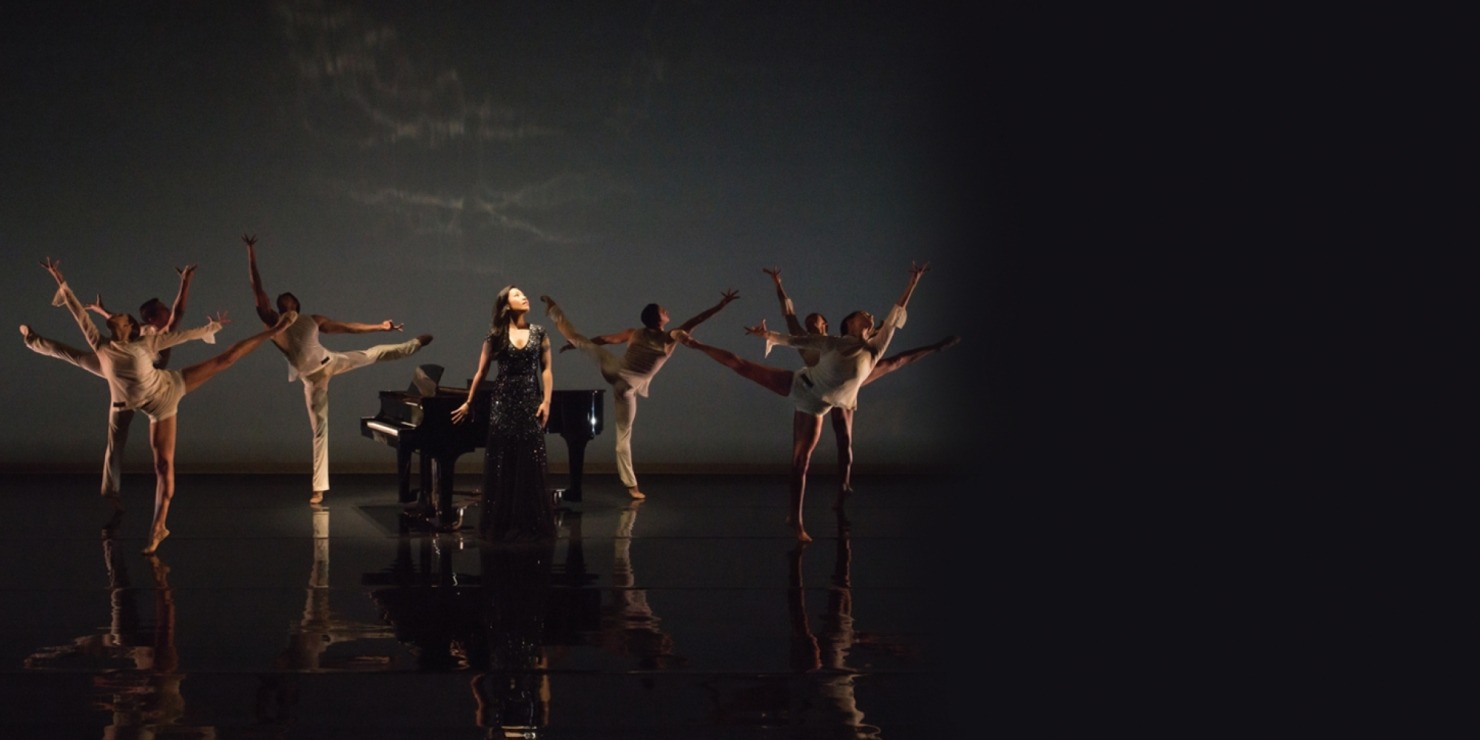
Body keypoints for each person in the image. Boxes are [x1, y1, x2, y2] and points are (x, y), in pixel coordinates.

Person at [36, 258, 292, 554]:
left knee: (165, 461)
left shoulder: (147, 341)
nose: (114, 315)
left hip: (163, 392)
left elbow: (180, 333)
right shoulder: (102, 343)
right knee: (77, 358)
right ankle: (34, 341)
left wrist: (212, 327)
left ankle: (159, 526)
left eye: (118, 316)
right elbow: (79, 315)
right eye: (114, 316)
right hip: (122, 388)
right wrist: (60, 280)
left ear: (130, 324)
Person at [678, 262, 929, 542]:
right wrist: (767, 333)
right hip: (803, 386)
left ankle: (843, 486)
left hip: (829, 400)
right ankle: (694, 344)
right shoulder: (830, 342)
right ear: (849, 324)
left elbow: (894, 318)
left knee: (832, 446)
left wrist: (913, 282)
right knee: (744, 369)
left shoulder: (873, 347)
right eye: (863, 314)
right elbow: (790, 333)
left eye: (869, 315)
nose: (869, 315)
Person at [243, 233, 433, 505]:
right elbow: (257, 290)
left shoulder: (311, 319)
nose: (284, 298)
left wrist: (378, 326)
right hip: (312, 381)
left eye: (289, 298)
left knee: (372, 353)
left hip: (330, 361)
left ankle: (412, 345)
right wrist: (251, 254)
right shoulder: (273, 322)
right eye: (280, 298)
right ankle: (318, 488)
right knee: (320, 430)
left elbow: (347, 327)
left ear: (296, 303)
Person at [763, 266, 960, 496]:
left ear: (825, 325)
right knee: (819, 438)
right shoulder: (808, 341)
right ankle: (811, 479)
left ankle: (844, 483)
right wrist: (778, 285)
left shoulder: (837, 342)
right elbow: (788, 315)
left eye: (814, 323)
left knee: (846, 434)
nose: (809, 326)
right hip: (821, 387)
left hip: (849, 382)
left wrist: (910, 286)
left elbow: (890, 325)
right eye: (807, 324)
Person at [19, 266, 198, 508]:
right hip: (117, 369)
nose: (170, 312)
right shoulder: (144, 331)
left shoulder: (159, 333)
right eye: (165, 309)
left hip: (138, 383)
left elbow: (176, 313)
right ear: (151, 318)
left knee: (115, 435)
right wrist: (104, 312)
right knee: (73, 355)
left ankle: (111, 491)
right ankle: (33, 340)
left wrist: (184, 283)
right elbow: (124, 326)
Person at [539, 289, 739, 499]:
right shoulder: (669, 337)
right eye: (663, 310)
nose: (667, 311)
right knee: (623, 435)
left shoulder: (636, 333)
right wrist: (720, 306)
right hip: (626, 385)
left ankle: (553, 309)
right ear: (658, 318)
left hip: (615, 373)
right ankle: (632, 488)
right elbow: (696, 320)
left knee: (578, 338)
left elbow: (605, 339)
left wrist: (581, 345)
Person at [451, 285, 557, 542]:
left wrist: (547, 402)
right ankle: (503, 522)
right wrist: (468, 402)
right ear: (507, 305)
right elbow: (482, 372)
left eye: (524, 294)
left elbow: (546, 371)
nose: (524, 297)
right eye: (517, 295)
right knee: (503, 461)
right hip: (503, 402)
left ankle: (530, 522)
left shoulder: (540, 333)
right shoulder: (495, 336)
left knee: (530, 460)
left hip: (529, 400)